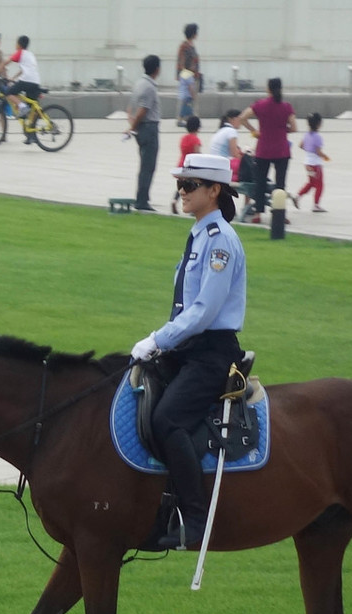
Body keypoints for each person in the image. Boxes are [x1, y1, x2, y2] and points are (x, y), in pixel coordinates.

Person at [129, 152, 246, 550]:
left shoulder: (220, 243)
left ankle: (195, 519)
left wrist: (158, 340)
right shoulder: (198, 234)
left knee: (167, 420)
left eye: (190, 185)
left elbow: (203, 311)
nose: (181, 191)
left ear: (214, 191)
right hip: (187, 349)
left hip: (210, 353)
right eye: (180, 183)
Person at [236, 77, 296, 222]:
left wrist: (254, 131)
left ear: (268, 89)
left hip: (263, 149)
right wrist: (282, 129)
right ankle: (280, 213)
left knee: (260, 182)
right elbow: (294, 128)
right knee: (280, 183)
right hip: (282, 149)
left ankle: (258, 213)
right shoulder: (287, 107)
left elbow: (242, 117)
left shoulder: (260, 105)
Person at [126, 54, 162, 212]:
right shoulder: (149, 87)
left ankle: (143, 197)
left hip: (142, 128)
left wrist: (132, 125)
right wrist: (133, 127)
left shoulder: (139, 84)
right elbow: (142, 110)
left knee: (145, 165)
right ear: (157, 69)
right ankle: (142, 200)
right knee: (148, 166)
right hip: (149, 128)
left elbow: (130, 109)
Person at [1, 35, 40, 143]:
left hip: (26, 81)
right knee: (30, 111)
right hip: (35, 82)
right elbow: (25, 70)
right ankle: (31, 136)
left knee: (8, 92)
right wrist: (13, 78)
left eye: (16, 43)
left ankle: (22, 106)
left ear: (19, 44)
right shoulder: (30, 54)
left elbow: (5, 63)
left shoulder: (20, 52)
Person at [294, 113, 330, 212]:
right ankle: (316, 205)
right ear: (318, 124)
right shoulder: (318, 137)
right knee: (319, 185)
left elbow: (301, 145)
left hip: (307, 163)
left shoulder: (306, 135)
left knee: (311, 183)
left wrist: (309, 149)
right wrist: (325, 156)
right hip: (315, 164)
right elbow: (318, 152)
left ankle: (298, 196)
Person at [170, 115, 202, 214]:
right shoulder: (196, 139)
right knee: (194, 187)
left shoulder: (183, 138)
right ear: (198, 127)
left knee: (182, 186)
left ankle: (174, 200)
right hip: (191, 166)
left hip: (181, 163)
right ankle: (193, 207)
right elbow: (197, 154)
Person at [177, 23, 201, 94]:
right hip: (188, 81)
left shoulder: (191, 46)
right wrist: (188, 81)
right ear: (193, 34)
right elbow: (181, 65)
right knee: (187, 102)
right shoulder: (184, 46)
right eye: (196, 32)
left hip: (193, 78)